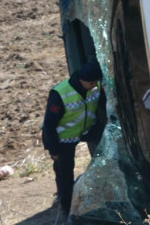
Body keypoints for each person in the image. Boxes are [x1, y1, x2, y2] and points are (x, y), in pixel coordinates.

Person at [42, 60, 107, 217]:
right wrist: (54, 149)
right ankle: (67, 208)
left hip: (87, 130)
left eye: (96, 82)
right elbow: (48, 125)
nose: (94, 85)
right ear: (80, 79)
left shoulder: (95, 86)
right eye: (91, 82)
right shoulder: (60, 93)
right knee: (64, 173)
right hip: (64, 138)